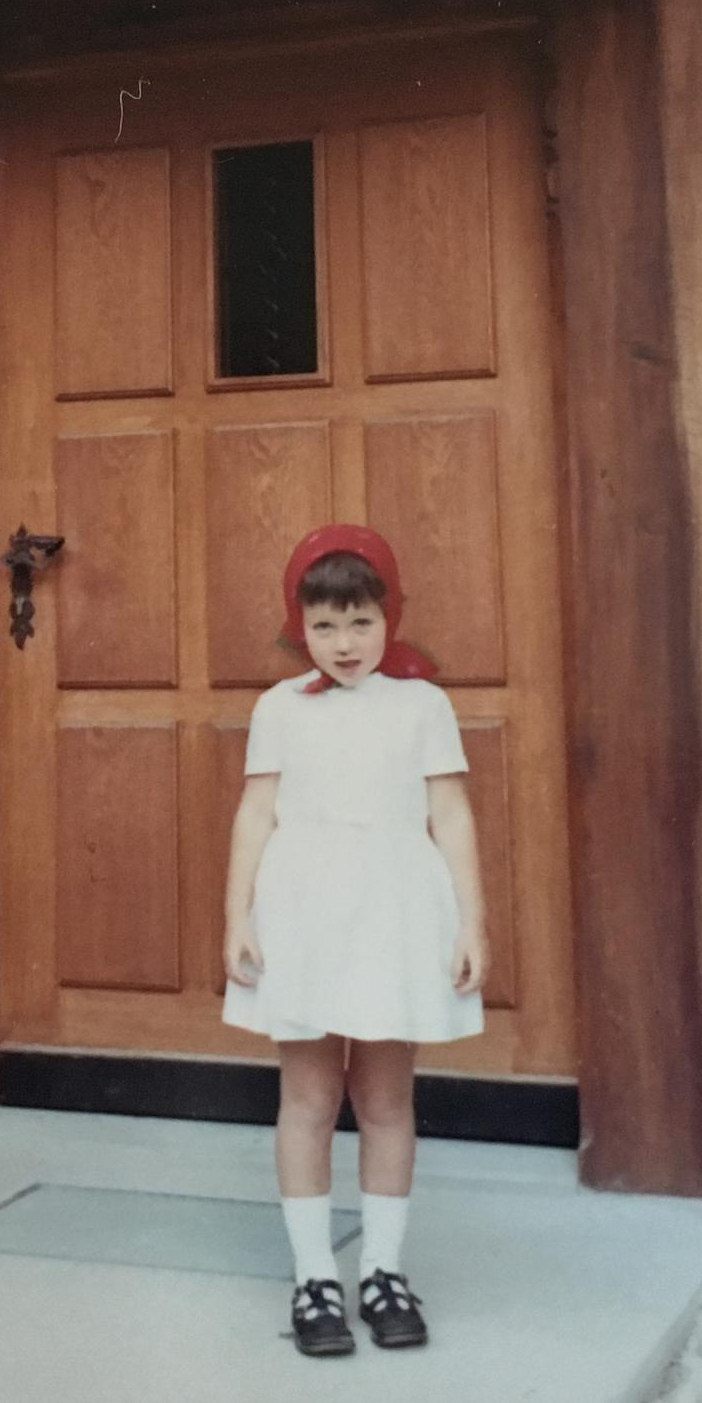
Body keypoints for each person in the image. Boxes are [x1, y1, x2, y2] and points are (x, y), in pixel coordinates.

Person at [221, 524, 488, 1358]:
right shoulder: (279, 707)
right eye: (325, 625)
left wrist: (473, 921)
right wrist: (237, 916)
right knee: (307, 1098)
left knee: (385, 1100)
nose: (344, 643)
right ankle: (314, 1277)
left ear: (389, 616)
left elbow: (451, 814)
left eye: (361, 622)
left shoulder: (422, 705)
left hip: (394, 914)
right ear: (298, 624)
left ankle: (383, 1271)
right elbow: (256, 814)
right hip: (303, 913)